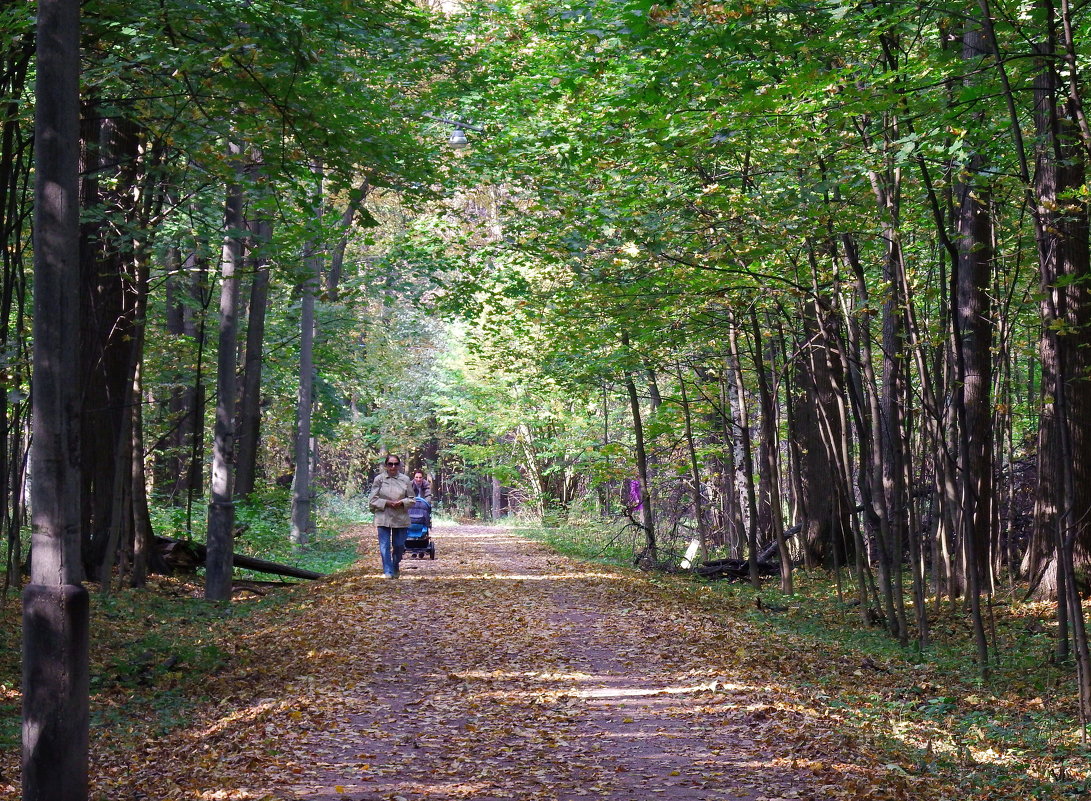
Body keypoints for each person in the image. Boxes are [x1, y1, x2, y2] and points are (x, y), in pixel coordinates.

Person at [368, 454, 415, 578]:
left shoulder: (405, 479)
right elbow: (372, 500)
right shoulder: (379, 479)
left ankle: (395, 565)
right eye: (390, 464)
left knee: (399, 545)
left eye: (395, 464)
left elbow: (412, 499)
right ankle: (388, 571)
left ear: (399, 465)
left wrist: (401, 502)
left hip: (400, 516)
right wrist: (386, 503)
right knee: (384, 545)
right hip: (383, 516)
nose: (393, 467)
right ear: (386, 465)